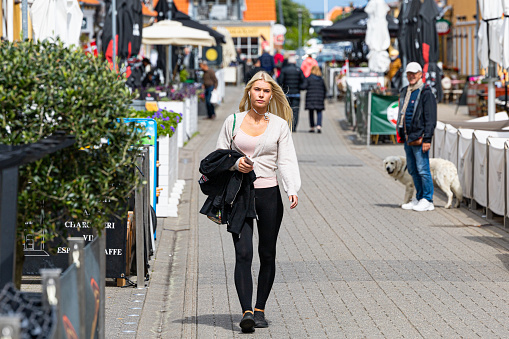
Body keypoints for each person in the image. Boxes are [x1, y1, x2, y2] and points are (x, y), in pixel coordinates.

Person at [215, 71, 301, 333]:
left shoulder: (279, 125)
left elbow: (286, 159)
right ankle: (247, 312)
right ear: (249, 93)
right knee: (243, 254)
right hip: (240, 194)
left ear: (270, 95)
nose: (261, 95)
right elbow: (218, 156)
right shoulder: (232, 121)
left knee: (267, 253)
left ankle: (260, 308)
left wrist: (291, 188)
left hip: (268, 194)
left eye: (266, 91)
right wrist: (233, 163)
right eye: (257, 90)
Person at [396, 62, 437, 212]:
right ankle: (420, 198)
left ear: (420, 74)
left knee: (423, 169)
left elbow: (430, 118)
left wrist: (427, 139)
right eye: (409, 73)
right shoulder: (405, 91)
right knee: (413, 169)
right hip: (408, 137)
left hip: (419, 137)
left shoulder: (426, 92)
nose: (411, 76)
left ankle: (428, 199)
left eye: (414, 73)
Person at [278, 55, 307, 131]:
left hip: (286, 94)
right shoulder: (298, 70)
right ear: (295, 62)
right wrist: (300, 88)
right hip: (296, 94)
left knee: (286, 111)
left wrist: (283, 88)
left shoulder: (284, 70)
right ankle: (293, 127)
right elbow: (304, 82)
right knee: (295, 111)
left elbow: (280, 81)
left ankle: (287, 126)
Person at [305, 66, 326, 133]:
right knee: (319, 112)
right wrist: (323, 97)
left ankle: (312, 127)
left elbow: (304, 86)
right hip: (319, 98)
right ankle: (319, 126)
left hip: (311, 98)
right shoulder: (321, 79)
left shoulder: (309, 78)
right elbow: (325, 89)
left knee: (311, 112)